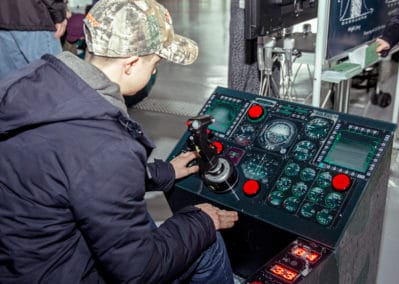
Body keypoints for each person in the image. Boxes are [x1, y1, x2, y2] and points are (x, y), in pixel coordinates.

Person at [0, 0, 239, 283]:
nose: (153, 72)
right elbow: (140, 270)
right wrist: (201, 221)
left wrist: (164, 172)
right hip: (65, 273)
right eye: (155, 63)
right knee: (207, 244)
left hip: (22, 260)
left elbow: (75, 172)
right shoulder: (108, 145)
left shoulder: (32, 83)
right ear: (131, 64)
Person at [0, 0, 68, 80]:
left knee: (10, 85)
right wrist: (59, 14)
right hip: (35, 17)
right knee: (55, 80)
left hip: (3, 20)